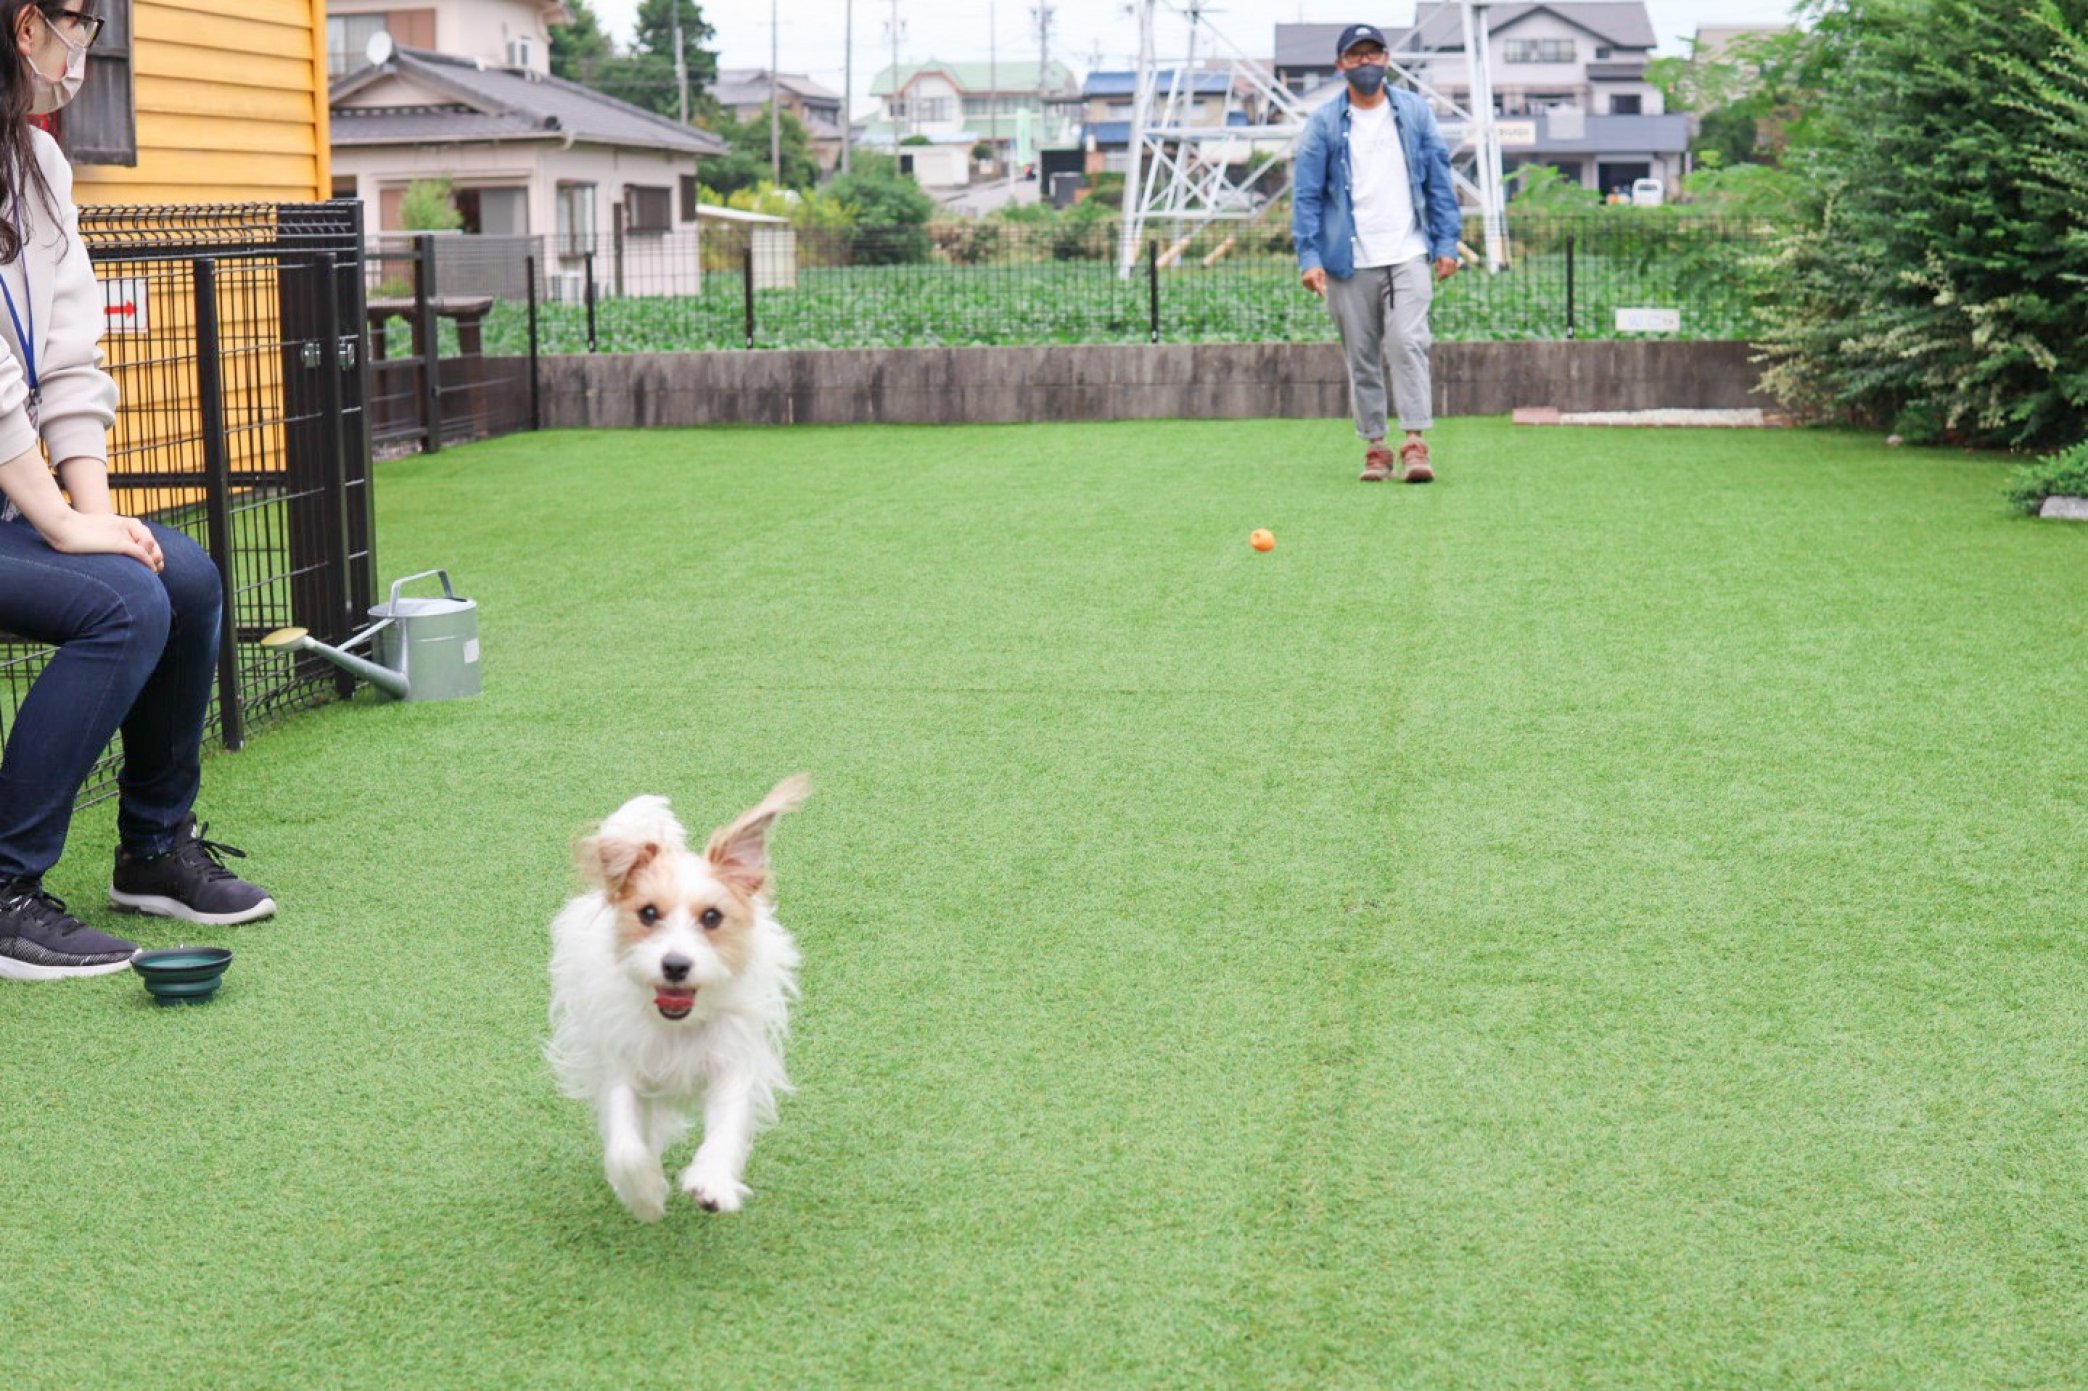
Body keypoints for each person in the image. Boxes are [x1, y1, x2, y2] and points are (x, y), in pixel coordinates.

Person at [0, 0, 274, 982]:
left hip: (13, 490)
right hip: (8, 487)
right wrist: (63, 523)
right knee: (122, 604)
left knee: (184, 573)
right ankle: (4, 891)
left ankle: (152, 849)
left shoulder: (40, 164)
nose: (88, 49)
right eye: (82, 24)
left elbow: (67, 357)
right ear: (29, 26)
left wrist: (98, 510)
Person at [1292, 23, 1463, 483]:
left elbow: (1439, 181)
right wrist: (1308, 256)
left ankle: (1415, 443)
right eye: (1356, 56)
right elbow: (1306, 195)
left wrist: (1447, 242)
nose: (1366, 63)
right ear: (1340, 65)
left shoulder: (1414, 113)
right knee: (1362, 355)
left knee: (1408, 342)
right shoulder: (1323, 123)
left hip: (1408, 250)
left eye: (1373, 54)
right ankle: (1376, 446)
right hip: (1348, 260)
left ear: (1387, 60)